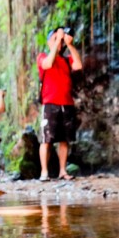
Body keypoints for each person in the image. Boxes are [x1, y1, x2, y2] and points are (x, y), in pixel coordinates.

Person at [37, 26, 82, 181]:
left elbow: (78, 64)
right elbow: (47, 64)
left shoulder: (66, 60)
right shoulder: (42, 56)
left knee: (64, 140)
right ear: (50, 41)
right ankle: (44, 172)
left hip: (67, 104)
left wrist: (70, 45)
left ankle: (63, 171)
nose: (60, 42)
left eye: (60, 40)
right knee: (46, 139)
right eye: (56, 39)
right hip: (50, 104)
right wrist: (56, 42)